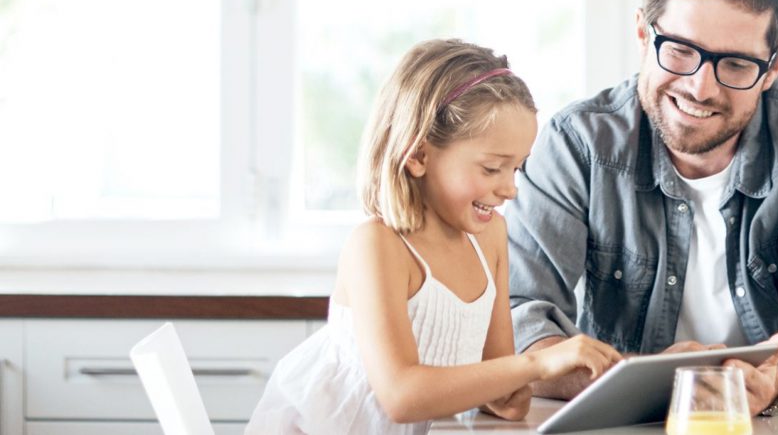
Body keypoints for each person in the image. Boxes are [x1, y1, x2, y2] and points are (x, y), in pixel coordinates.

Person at [505, 0, 778, 416]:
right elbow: (523, 319)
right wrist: (633, 379)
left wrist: (777, 382)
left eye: (735, 64)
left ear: (771, 70)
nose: (700, 87)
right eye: (680, 50)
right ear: (644, 34)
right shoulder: (577, 143)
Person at [245, 39, 621, 435]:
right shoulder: (378, 247)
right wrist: (537, 364)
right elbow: (401, 396)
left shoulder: (490, 237)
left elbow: (500, 381)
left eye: (517, 168)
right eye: (492, 168)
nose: (510, 189)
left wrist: (509, 391)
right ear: (420, 156)